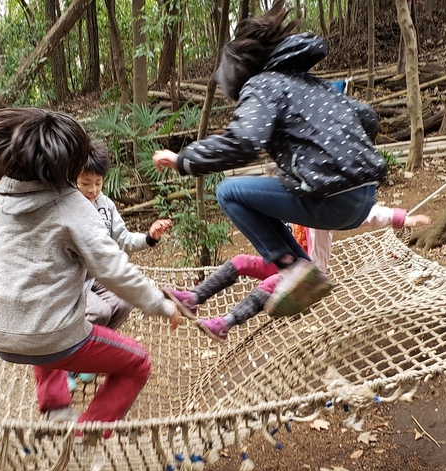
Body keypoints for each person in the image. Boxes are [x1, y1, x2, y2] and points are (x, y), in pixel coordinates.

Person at [0, 108, 181, 439]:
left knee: (44, 321)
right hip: (55, 336)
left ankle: (55, 409)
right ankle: (87, 434)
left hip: (0, 335)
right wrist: (160, 304)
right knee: (137, 363)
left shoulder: (0, 208)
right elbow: (112, 266)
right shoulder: (71, 206)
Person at [152, 1, 387, 318]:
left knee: (228, 192)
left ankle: (293, 267)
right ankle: (298, 269)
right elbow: (368, 118)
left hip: (329, 200)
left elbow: (246, 141)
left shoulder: (262, 85)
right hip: (363, 198)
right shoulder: (312, 85)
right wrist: (343, 154)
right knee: (262, 190)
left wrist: (184, 160)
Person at [168, 206, 431, 341]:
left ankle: (225, 324)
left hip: (308, 274)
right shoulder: (288, 203)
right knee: (241, 260)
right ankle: (194, 298)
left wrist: (400, 218)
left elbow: (363, 214)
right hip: (285, 261)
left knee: (272, 282)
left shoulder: (323, 210)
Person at [69, 139, 174, 390]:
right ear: (72, 178)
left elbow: (124, 239)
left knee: (124, 301)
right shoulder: (67, 206)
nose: (93, 190)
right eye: (85, 183)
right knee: (100, 312)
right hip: (72, 282)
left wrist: (150, 237)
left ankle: (88, 357)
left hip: (97, 277)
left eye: (98, 182)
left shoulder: (105, 205)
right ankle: (69, 363)